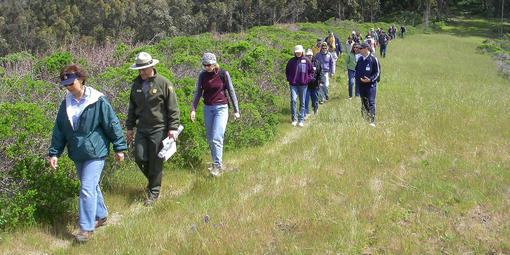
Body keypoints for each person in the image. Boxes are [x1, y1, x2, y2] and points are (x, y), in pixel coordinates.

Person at [48, 64, 127, 242]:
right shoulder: (66, 104)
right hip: (77, 152)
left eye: (71, 83)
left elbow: (111, 123)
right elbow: (59, 130)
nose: (68, 87)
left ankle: (86, 228)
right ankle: (101, 215)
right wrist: (54, 153)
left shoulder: (97, 100)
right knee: (91, 186)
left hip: (95, 151)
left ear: (81, 79)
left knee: (86, 188)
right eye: (65, 84)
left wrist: (119, 147)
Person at [126, 52, 181, 206]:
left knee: (156, 161)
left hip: (159, 128)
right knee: (140, 157)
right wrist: (130, 128)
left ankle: (153, 193)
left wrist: (173, 128)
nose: (141, 72)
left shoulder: (164, 83)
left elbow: (173, 108)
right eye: (139, 69)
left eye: (143, 69)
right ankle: (153, 181)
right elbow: (132, 108)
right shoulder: (135, 85)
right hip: (142, 128)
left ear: (151, 66)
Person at [190, 52, 240, 176]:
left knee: (217, 137)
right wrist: (193, 109)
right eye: (205, 65)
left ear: (214, 63)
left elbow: (231, 92)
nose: (207, 67)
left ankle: (218, 166)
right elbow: (198, 93)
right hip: (208, 108)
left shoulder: (223, 74)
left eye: (209, 65)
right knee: (211, 138)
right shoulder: (202, 75)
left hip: (221, 108)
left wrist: (236, 110)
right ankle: (215, 163)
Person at [285, 45, 313, 127]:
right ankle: (294, 119)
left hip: (303, 85)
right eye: (296, 52)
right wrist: (289, 79)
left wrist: (307, 79)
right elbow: (287, 71)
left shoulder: (307, 60)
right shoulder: (291, 61)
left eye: (299, 52)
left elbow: (311, 72)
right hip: (293, 84)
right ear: (295, 52)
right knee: (293, 100)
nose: (298, 53)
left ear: (302, 52)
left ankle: (301, 120)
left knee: (302, 102)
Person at [355, 43, 380, 127]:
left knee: (371, 101)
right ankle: (366, 119)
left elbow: (377, 73)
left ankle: (372, 121)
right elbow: (357, 70)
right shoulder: (360, 59)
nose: (359, 50)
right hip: (361, 85)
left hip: (370, 85)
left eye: (361, 48)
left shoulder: (373, 59)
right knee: (364, 102)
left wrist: (370, 79)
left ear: (366, 49)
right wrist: (357, 79)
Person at [303, 49, 322, 116]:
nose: (309, 56)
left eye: (310, 55)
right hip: (306, 85)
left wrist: (320, 82)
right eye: (308, 55)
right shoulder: (303, 63)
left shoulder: (317, 62)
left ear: (312, 55)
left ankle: (315, 109)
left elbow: (320, 73)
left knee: (315, 98)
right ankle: (306, 112)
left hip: (315, 84)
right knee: (306, 99)